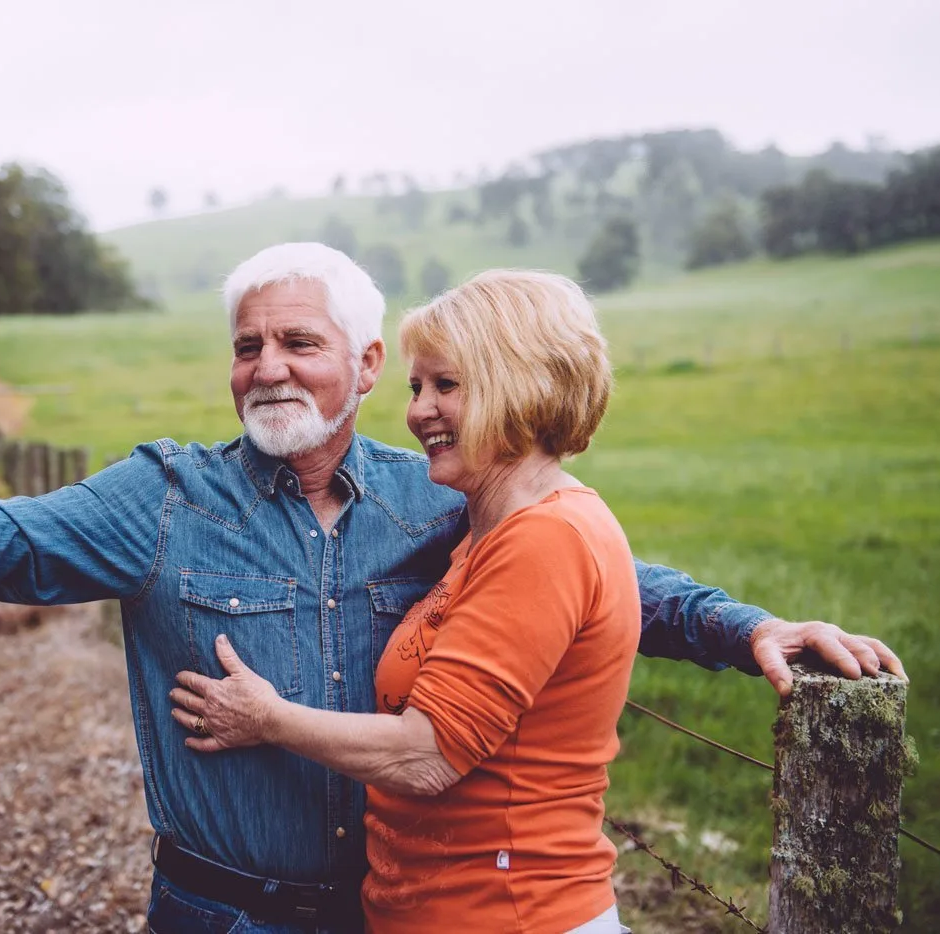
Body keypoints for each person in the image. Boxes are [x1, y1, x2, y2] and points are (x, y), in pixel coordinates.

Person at [0, 243, 903, 933]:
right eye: (246, 346)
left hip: (380, 910)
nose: (267, 368)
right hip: (219, 911)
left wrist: (746, 625)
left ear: (363, 362)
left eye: (298, 343)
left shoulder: (438, 497)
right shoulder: (161, 497)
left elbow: (599, 577)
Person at [170, 270, 639, 932]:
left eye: (446, 385)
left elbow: (427, 756)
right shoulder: (487, 531)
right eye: (418, 387)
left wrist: (267, 718)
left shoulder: (545, 538)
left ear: (521, 386)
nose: (418, 410)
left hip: (509, 912)